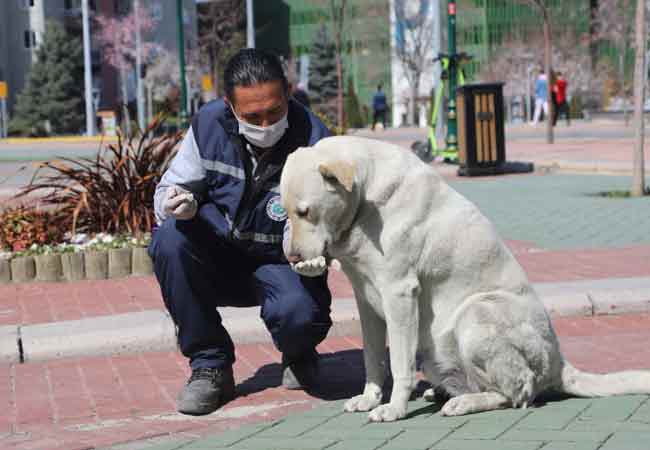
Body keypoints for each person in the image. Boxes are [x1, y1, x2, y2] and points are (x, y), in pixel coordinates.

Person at [148, 49, 333, 416]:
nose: (265, 125)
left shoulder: (315, 139)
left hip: (282, 262)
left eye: (274, 111)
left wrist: (306, 245)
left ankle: (299, 352)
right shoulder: (207, 126)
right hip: (220, 258)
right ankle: (210, 364)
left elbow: (329, 223)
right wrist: (173, 202)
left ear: (289, 93)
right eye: (252, 116)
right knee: (169, 239)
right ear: (229, 105)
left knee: (299, 314)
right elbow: (166, 191)